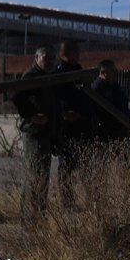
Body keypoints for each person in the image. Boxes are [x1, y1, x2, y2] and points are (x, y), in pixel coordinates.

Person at [12, 45, 57, 214]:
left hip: (44, 133)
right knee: (34, 175)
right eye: (47, 57)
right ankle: (30, 216)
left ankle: (38, 213)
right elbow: (17, 97)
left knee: (42, 175)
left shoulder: (47, 77)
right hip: (34, 133)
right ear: (37, 58)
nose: (51, 61)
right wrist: (32, 116)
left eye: (53, 58)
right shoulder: (31, 75)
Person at [53, 40, 92, 198]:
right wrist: (64, 114)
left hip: (82, 124)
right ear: (64, 55)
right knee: (66, 165)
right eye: (75, 53)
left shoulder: (79, 71)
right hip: (67, 126)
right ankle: (66, 198)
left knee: (85, 163)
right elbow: (56, 98)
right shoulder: (59, 73)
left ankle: (89, 197)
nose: (78, 56)